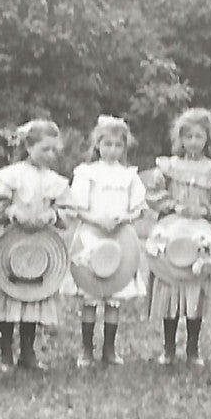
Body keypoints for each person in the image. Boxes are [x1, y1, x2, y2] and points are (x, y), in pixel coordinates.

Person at [0, 119, 70, 371]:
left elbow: (68, 211)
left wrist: (51, 215)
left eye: (54, 150)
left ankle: (28, 352)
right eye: (45, 149)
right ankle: (5, 349)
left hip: (41, 246)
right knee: (11, 294)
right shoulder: (12, 176)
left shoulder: (54, 180)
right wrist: (12, 211)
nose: (51, 155)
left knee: (33, 296)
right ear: (29, 147)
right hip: (14, 244)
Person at [145, 107, 211, 366]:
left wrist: (204, 210)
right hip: (172, 234)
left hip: (199, 235)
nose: (193, 142)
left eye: (199, 137)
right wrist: (174, 206)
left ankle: (193, 348)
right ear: (180, 139)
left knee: (196, 290)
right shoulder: (168, 166)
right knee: (171, 290)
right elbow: (153, 195)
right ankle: (168, 348)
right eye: (189, 137)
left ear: (208, 140)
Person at [61, 115, 148, 367]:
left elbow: (139, 208)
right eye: (107, 144)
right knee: (90, 293)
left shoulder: (129, 176)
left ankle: (109, 349)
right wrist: (97, 220)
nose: (112, 150)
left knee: (113, 295)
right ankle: (86, 349)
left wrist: (124, 218)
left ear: (125, 147)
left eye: (118, 145)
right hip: (92, 234)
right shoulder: (86, 173)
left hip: (119, 237)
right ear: (97, 144)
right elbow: (77, 206)